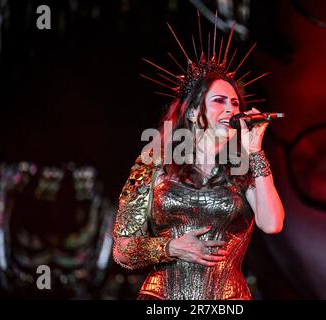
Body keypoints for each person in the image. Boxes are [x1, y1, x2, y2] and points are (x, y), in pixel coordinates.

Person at [111, 13, 284, 300]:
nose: (231, 108)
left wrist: (255, 150)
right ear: (192, 112)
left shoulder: (244, 166)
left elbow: (272, 223)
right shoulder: (153, 163)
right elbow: (122, 250)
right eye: (219, 101)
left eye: (235, 103)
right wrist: (170, 248)